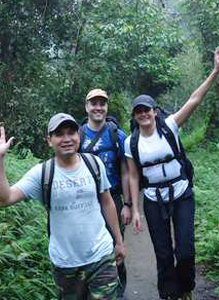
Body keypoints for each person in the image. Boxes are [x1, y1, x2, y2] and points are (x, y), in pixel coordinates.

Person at [0, 113, 126, 300]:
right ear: (49, 141)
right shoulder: (42, 173)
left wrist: (118, 241)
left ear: (79, 136)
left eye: (71, 133)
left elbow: (107, 202)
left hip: (101, 256)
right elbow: (5, 199)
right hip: (66, 265)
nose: (67, 139)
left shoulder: (94, 163)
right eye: (59, 134)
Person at [125, 48, 219, 300]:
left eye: (147, 109)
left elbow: (194, 99)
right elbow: (134, 175)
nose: (143, 114)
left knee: (185, 249)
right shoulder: (131, 142)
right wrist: (135, 210)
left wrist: (215, 70)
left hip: (181, 193)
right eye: (139, 111)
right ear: (135, 116)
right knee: (162, 252)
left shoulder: (169, 126)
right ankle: (169, 294)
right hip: (153, 198)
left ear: (155, 111)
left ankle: (186, 288)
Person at [80, 89, 131, 298]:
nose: (98, 107)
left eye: (102, 103)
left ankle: (118, 290)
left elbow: (126, 171)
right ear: (87, 107)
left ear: (107, 107)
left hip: (114, 199)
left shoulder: (117, 135)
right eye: (94, 103)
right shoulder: (77, 134)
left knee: (115, 248)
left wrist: (128, 204)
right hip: (85, 202)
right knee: (88, 247)